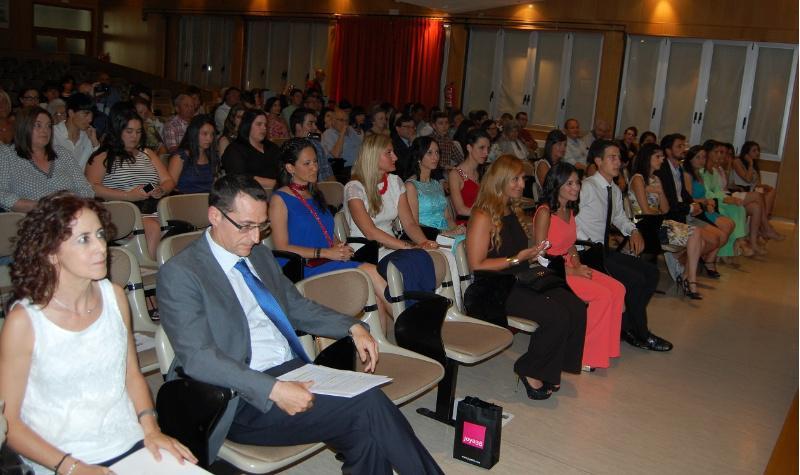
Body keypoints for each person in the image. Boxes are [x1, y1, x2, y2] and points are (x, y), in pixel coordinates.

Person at [157, 175, 442, 474]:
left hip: (293, 371)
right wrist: (273, 389)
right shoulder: (182, 273)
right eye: (246, 226)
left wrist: (351, 327)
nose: (256, 238)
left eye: (261, 226)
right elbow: (198, 358)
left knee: (365, 431)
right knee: (367, 405)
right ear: (214, 216)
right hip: (238, 395)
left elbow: (296, 307)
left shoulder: (259, 255)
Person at [0, 192, 196, 474]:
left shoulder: (115, 297)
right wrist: (72, 467)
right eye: (84, 239)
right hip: (59, 455)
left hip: (127, 439)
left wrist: (151, 429)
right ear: (51, 252)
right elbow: (10, 422)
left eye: (100, 235)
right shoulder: (25, 321)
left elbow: (131, 375)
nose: (101, 248)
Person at [467, 155, 586, 399]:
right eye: (517, 179)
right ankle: (529, 368)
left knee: (575, 306)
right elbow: (476, 264)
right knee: (557, 315)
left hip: (518, 275)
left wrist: (532, 255)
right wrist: (518, 258)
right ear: (500, 181)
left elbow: (516, 253)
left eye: (523, 178)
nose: (522, 184)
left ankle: (551, 366)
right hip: (495, 287)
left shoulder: (510, 209)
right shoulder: (482, 215)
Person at [269, 138, 393, 325]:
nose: (315, 168)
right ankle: (409, 327)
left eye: (315, 162)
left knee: (375, 299)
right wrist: (327, 252)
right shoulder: (280, 199)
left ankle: (378, 348)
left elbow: (327, 234)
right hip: (301, 268)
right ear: (290, 168)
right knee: (370, 271)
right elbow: (281, 247)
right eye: (307, 163)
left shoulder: (315, 194)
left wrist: (339, 248)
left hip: (325, 260)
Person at [576, 140, 673, 352]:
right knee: (636, 280)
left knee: (651, 273)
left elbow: (620, 217)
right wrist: (579, 243)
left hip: (601, 250)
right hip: (586, 252)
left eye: (619, 157)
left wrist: (633, 231)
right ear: (598, 161)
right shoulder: (587, 188)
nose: (618, 162)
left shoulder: (614, 190)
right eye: (612, 157)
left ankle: (627, 327)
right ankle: (641, 333)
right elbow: (570, 219)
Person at [534, 162, 624, 371]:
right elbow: (539, 256)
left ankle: (606, 349)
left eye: (577, 183)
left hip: (568, 265)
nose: (576, 188)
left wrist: (577, 262)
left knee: (618, 289)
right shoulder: (545, 212)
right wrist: (573, 271)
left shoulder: (569, 209)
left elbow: (570, 243)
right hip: (551, 271)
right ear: (556, 185)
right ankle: (584, 354)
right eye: (570, 183)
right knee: (602, 295)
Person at [86, 108, 175, 260]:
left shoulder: (147, 153)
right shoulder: (103, 156)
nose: (135, 136)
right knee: (152, 227)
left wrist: (161, 189)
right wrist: (129, 195)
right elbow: (92, 187)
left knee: (178, 224)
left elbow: (168, 181)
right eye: (129, 131)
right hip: (122, 210)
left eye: (139, 132)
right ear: (118, 131)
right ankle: (153, 270)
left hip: (151, 205)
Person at [628, 144, 705, 299]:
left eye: (662, 156)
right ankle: (690, 281)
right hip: (645, 226)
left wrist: (661, 191)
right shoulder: (638, 179)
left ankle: (686, 277)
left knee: (700, 241)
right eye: (658, 156)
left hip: (657, 224)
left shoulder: (656, 178)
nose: (662, 159)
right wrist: (652, 195)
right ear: (647, 158)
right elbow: (645, 212)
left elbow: (665, 209)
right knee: (696, 233)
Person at [344, 134, 438, 261]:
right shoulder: (354, 188)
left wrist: (424, 243)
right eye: (389, 152)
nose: (395, 157)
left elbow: (409, 224)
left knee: (437, 256)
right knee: (415, 261)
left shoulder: (395, 182)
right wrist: (408, 247)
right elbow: (370, 232)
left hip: (392, 246)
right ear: (373, 156)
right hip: (367, 250)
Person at [656, 133, 729, 277]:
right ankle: (682, 262)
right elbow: (671, 203)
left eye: (684, 145)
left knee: (717, 238)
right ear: (668, 151)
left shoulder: (678, 169)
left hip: (683, 213)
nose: (683, 149)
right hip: (671, 218)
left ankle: (684, 262)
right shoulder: (663, 171)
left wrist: (694, 205)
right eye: (679, 146)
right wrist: (692, 207)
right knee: (712, 238)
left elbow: (684, 194)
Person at [0, 107, 94, 212]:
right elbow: (2, 194)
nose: (45, 131)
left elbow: (85, 189)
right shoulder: (6, 154)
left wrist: (73, 206)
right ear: (23, 127)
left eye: (49, 126)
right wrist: (42, 207)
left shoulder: (62, 154)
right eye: (38, 125)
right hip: (30, 220)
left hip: (69, 216)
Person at [699, 141, 760, 256]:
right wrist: (726, 199)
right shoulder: (702, 171)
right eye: (716, 152)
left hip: (718, 200)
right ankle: (738, 243)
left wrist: (729, 199)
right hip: (710, 202)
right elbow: (706, 192)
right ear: (707, 153)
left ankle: (739, 241)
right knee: (731, 210)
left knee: (739, 208)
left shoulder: (715, 171)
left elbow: (718, 190)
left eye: (721, 152)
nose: (720, 155)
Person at [683, 146, 738, 262]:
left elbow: (704, 196)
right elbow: (687, 199)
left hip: (703, 208)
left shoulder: (699, 174)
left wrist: (707, 203)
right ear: (690, 159)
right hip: (695, 211)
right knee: (723, 231)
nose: (701, 160)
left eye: (703, 157)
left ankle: (708, 258)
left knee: (731, 224)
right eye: (697, 157)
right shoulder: (688, 175)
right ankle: (704, 259)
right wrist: (705, 202)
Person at [221, 109, 281, 190]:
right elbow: (239, 178)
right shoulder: (235, 149)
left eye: (265, 125)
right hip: (249, 195)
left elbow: (283, 169)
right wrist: (276, 184)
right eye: (259, 124)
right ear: (247, 125)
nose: (264, 128)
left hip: (277, 194)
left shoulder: (272, 147)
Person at [168, 114, 219, 194]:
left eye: (212, 134)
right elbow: (170, 188)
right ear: (194, 133)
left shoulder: (212, 156)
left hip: (208, 201)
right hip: (185, 201)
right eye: (205, 134)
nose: (209, 139)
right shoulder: (180, 157)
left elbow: (215, 186)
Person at [449, 129, 489, 225]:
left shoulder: (482, 172)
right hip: (466, 225)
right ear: (469, 148)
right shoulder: (456, 174)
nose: (486, 153)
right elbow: (460, 210)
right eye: (481, 148)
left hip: (482, 221)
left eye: (488, 148)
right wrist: (488, 215)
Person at [51, 93, 100, 171]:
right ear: (71, 113)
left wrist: (95, 143)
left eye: (92, 114)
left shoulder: (89, 137)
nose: (90, 119)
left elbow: (98, 167)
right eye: (86, 114)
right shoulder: (52, 134)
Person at [733, 141, 779, 221]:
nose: (757, 153)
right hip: (742, 189)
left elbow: (757, 184)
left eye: (758, 150)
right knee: (761, 195)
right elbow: (747, 179)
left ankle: (763, 220)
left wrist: (765, 186)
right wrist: (750, 163)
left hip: (752, 189)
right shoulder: (737, 162)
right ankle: (764, 222)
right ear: (746, 152)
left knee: (771, 191)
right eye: (754, 151)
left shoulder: (755, 165)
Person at [289, 107, 334, 182]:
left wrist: (334, 189)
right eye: (310, 123)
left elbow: (328, 172)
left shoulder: (316, 144)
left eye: (315, 124)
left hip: (324, 189)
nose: (315, 127)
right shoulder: (290, 149)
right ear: (298, 127)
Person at [322, 108, 363, 178]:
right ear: (333, 121)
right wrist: (342, 133)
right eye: (341, 120)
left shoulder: (351, 130)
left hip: (359, 167)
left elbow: (362, 147)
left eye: (347, 120)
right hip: (343, 170)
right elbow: (336, 154)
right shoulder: (328, 134)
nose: (345, 123)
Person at [535, 129, 566, 199]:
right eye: (559, 144)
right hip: (548, 203)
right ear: (550, 145)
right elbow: (549, 189)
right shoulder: (543, 165)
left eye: (565, 145)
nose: (563, 148)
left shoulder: (561, 165)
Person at [391, 114, 416, 180]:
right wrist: (412, 145)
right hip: (400, 179)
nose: (411, 130)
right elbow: (404, 165)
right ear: (397, 128)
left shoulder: (416, 141)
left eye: (413, 127)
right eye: (407, 127)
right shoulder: (393, 144)